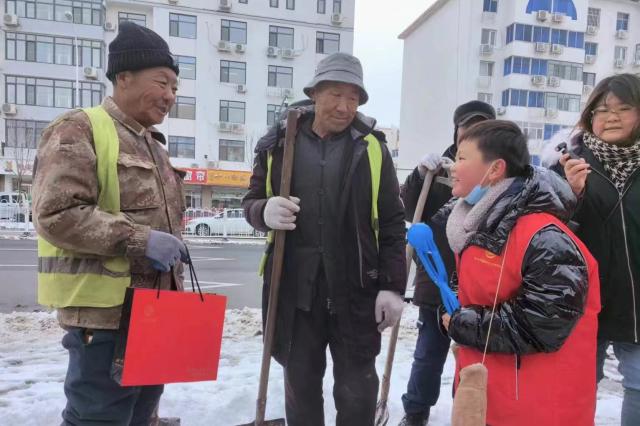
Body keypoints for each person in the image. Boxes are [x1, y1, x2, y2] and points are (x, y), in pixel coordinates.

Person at [32, 22, 186, 425]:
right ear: (124, 77)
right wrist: (140, 239)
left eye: (174, 87)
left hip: (155, 315)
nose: (170, 95)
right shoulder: (79, 129)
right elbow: (56, 215)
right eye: (162, 83)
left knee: (142, 415)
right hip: (105, 321)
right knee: (99, 417)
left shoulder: (152, 144)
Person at [242, 52, 407, 426]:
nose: (345, 106)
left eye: (354, 98)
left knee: (357, 395)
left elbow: (394, 224)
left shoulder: (372, 149)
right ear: (314, 94)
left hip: (355, 293)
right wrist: (263, 211)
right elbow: (250, 203)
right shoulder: (277, 145)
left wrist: (392, 288)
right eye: (335, 94)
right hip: (295, 293)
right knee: (300, 392)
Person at [438, 120, 600, 425]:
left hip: (537, 405)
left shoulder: (545, 236)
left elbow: (544, 322)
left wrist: (464, 322)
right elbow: (474, 293)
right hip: (490, 394)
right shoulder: (475, 224)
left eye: (461, 158)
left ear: (495, 169)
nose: (453, 167)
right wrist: (451, 313)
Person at [549, 73, 640, 426]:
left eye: (624, 108)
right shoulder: (566, 163)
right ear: (589, 117)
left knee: (638, 385)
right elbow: (547, 232)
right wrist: (571, 194)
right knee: (579, 383)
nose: (612, 117)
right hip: (583, 297)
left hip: (636, 301)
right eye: (602, 110)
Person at [399, 101, 495, 426]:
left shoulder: (500, 172)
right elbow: (411, 207)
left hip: (482, 284)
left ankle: (466, 413)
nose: (472, 136)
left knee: (473, 358)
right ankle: (415, 412)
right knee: (428, 354)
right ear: (456, 133)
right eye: (466, 129)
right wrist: (418, 175)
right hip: (437, 282)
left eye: (481, 129)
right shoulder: (440, 171)